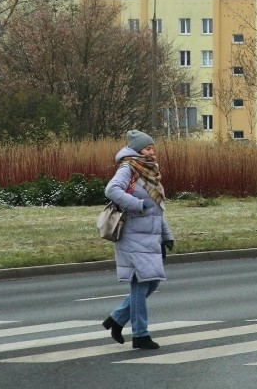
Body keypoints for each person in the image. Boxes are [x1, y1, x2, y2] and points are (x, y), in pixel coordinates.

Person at [102, 129, 175, 350]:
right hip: (132, 234)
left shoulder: (150, 171)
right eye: (147, 147)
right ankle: (141, 335)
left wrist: (166, 234)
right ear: (136, 150)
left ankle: (116, 318)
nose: (152, 151)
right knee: (141, 283)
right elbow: (111, 190)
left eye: (152, 147)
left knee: (151, 281)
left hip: (149, 235)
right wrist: (137, 204)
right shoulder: (129, 167)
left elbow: (156, 209)